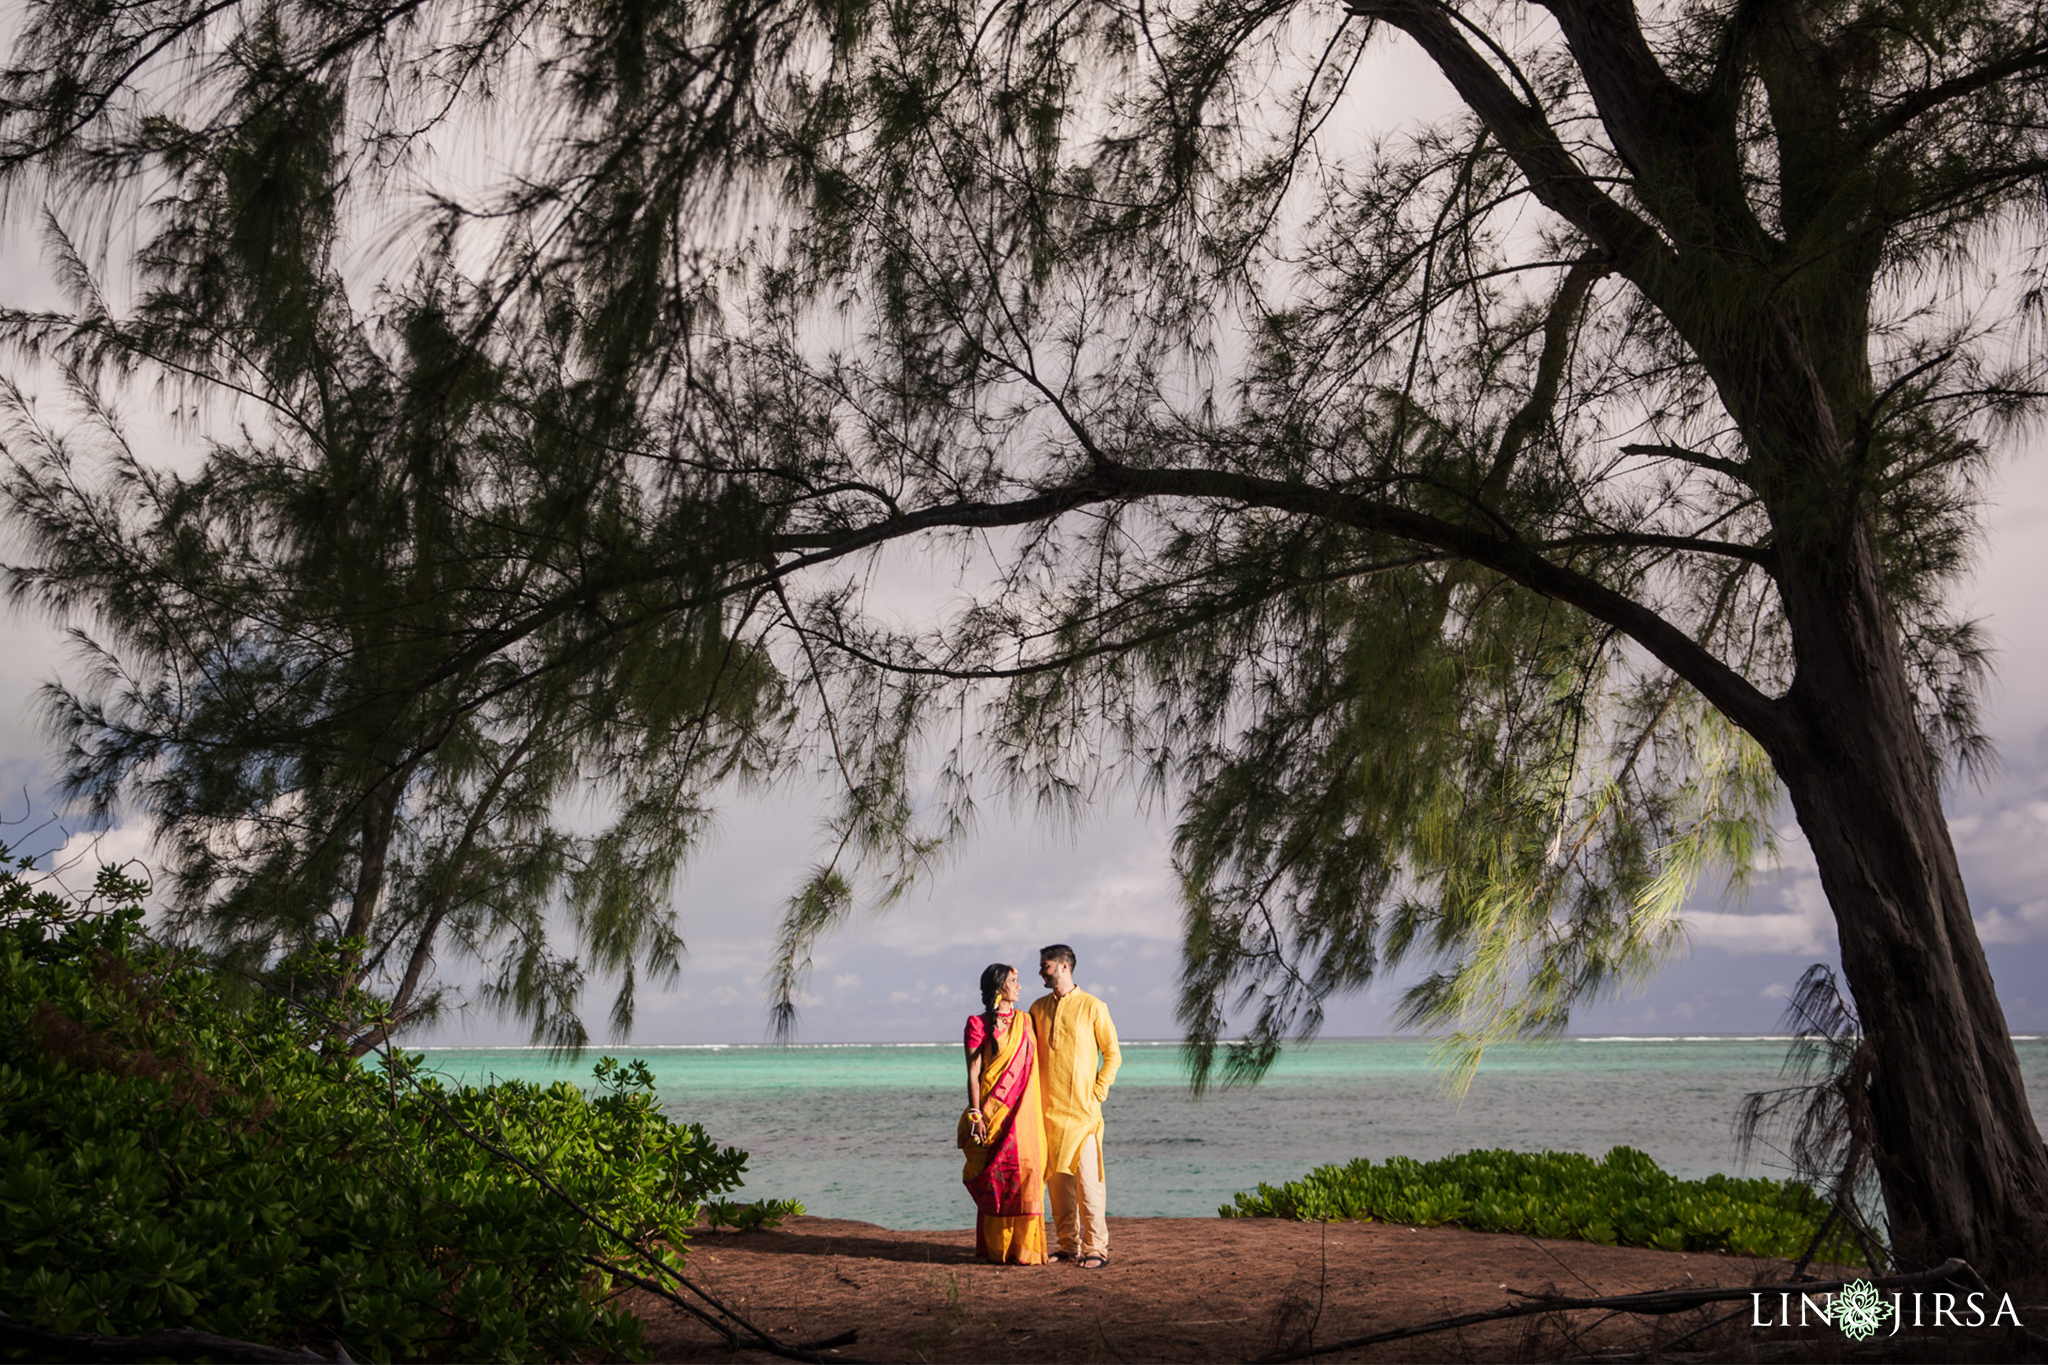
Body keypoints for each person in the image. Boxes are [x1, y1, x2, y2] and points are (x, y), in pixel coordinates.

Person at [1028, 943, 1121, 1269]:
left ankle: (1096, 1248)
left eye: (1046, 965)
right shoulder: (1037, 1008)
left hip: (1084, 1116)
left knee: (1089, 1185)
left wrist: (1097, 1092)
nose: (1041, 971)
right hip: (1047, 1114)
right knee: (1058, 1188)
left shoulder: (1094, 1006)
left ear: (1064, 966)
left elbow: (1113, 1055)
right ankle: (1067, 1245)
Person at [958, 962, 1048, 1265]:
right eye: (1013, 981)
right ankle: (998, 1248)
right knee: (998, 1177)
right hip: (992, 1115)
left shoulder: (1027, 1021)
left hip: (1024, 1116)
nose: (1019, 986)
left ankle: (1025, 1249)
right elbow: (973, 1074)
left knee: (1028, 1175)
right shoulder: (977, 1024)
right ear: (999, 988)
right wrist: (976, 1116)